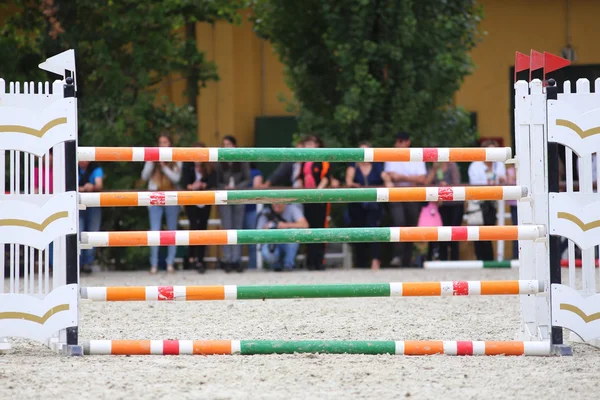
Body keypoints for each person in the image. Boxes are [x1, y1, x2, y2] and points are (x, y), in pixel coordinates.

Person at [345, 141, 392, 270]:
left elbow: (386, 178)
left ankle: (375, 261)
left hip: (374, 204)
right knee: (358, 231)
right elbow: (348, 181)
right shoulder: (353, 165)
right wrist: (355, 185)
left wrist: (389, 184)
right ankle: (360, 262)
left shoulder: (376, 165)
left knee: (374, 230)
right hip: (357, 203)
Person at [384, 132, 427, 267]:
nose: (398, 144)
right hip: (397, 194)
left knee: (411, 224)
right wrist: (410, 178)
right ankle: (397, 256)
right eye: (397, 141)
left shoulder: (417, 156)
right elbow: (391, 175)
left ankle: (407, 258)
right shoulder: (391, 155)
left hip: (412, 194)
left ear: (407, 142)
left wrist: (401, 177)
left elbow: (421, 179)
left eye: (401, 141)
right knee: (399, 222)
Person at [141, 133, 182, 274]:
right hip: (155, 196)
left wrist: (164, 167)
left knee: (172, 231)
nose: (162, 145)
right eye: (160, 142)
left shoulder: (176, 157)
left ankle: (170, 263)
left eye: (165, 142)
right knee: (155, 231)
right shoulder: (152, 156)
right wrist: (152, 162)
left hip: (171, 196)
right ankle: (154, 264)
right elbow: (144, 176)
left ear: (170, 144)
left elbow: (176, 179)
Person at [215, 135, 251, 273]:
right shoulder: (219, 161)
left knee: (237, 229)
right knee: (226, 228)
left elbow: (247, 179)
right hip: (224, 197)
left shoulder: (241, 159)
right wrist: (224, 188)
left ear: (235, 145)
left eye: (229, 144)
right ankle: (227, 259)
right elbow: (216, 181)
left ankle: (237, 260)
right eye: (224, 144)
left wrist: (235, 188)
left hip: (239, 196)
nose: (226, 147)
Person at [467, 139, 506, 261]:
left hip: (493, 202)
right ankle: (481, 258)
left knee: (490, 229)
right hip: (478, 201)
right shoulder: (475, 165)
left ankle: (489, 258)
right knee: (477, 229)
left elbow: (503, 180)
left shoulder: (499, 164)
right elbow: (475, 183)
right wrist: (494, 179)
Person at [296, 134, 330, 270]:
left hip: (320, 199)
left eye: (311, 143)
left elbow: (326, 178)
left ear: (317, 145)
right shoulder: (303, 162)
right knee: (308, 229)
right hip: (307, 199)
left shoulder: (323, 160)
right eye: (306, 144)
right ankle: (310, 261)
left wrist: (317, 192)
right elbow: (300, 178)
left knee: (321, 229)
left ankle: (319, 261)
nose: (309, 146)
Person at [181, 142, 216, 274]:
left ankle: (200, 259)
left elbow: (213, 182)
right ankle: (190, 257)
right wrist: (191, 186)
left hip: (205, 199)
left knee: (203, 228)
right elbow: (184, 183)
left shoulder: (210, 166)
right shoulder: (187, 165)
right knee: (193, 227)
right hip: (190, 200)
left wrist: (203, 185)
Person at [424, 161, 464, 261]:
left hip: (455, 204)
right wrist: (433, 170)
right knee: (442, 235)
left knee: (454, 234)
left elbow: (456, 183)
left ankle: (455, 260)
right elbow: (427, 184)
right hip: (440, 205)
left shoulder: (452, 166)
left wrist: (446, 186)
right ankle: (443, 260)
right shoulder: (433, 168)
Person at [256, 203, 309, 271]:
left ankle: (288, 265)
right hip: (272, 242)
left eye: (279, 202)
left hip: (287, 243)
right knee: (268, 254)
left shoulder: (292, 208)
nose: (276, 204)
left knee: (293, 233)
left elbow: (305, 224)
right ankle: (276, 266)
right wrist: (267, 229)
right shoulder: (266, 212)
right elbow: (258, 234)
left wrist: (285, 225)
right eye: (275, 202)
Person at [78, 159, 104, 274]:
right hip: (77, 204)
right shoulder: (72, 167)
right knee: (78, 232)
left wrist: (92, 187)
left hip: (93, 204)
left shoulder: (96, 168)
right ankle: (78, 263)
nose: (83, 161)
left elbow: (99, 185)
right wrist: (84, 189)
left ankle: (88, 262)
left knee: (93, 232)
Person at [244, 163, 264, 269]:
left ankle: (253, 265)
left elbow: (257, 187)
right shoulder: (238, 171)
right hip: (238, 209)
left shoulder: (255, 172)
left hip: (251, 208)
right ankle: (237, 264)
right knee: (235, 238)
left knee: (252, 239)